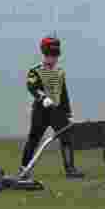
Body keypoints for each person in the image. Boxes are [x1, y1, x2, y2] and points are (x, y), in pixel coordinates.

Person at [19, 36, 85, 178]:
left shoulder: (60, 72)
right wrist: (43, 98)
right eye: (50, 55)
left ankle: (70, 169)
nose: (53, 58)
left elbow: (63, 93)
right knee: (34, 139)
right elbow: (32, 87)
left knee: (66, 138)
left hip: (57, 111)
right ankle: (24, 168)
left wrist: (68, 112)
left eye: (55, 55)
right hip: (41, 111)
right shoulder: (35, 71)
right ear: (44, 54)